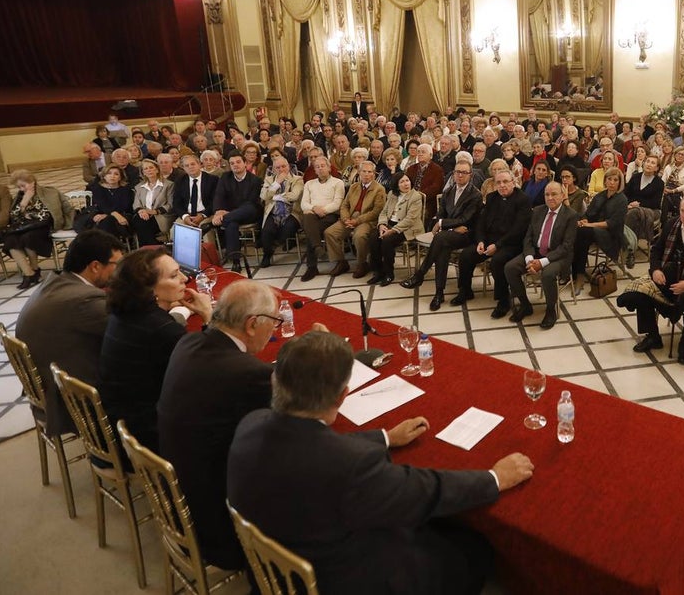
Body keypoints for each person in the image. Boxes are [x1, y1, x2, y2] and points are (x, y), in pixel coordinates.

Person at [227, 330, 534, 595]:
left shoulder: (250, 425)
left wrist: (385, 437)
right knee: (471, 548)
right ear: (341, 397)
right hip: (347, 580)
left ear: (275, 379)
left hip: (275, 574)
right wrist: (494, 477)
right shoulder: (352, 467)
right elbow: (426, 490)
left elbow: (312, 446)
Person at [157, 280, 277, 571]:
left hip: (179, 497)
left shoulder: (188, 342)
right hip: (219, 523)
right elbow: (291, 437)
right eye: (273, 322)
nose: (274, 330)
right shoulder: (251, 374)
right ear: (251, 325)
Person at [100, 249, 212, 453]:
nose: (185, 279)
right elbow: (209, 371)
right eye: (173, 275)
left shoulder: (123, 314)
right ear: (149, 290)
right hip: (149, 440)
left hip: (119, 425)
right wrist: (208, 317)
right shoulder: (163, 330)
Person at [16, 231, 123, 437]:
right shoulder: (84, 300)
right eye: (117, 265)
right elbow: (131, 330)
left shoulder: (55, 282)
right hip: (68, 401)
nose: (120, 271)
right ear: (95, 266)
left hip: (46, 384)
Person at [617, 194, 684, 364]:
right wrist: (656, 270)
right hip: (669, 274)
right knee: (638, 295)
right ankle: (652, 336)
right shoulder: (672, 223)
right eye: (683, 211)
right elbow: (656, 250)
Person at [401, 162, 481, 309]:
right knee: (442, 247)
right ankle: (439, 293)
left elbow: (466, 220)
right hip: (449, 234)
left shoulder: (475, 194)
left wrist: (443, 223)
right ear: (453, 174)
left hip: (467, 234)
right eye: (457, 172)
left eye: (464, 172)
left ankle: (420, 274)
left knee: (440, 238)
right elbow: (440, 214)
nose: (460, 175)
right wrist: (445, 224)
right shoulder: (449, 191)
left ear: (471, 175)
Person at [505, 182, 578, 330]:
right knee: (510, 268)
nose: (550, 198)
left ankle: (550, 310)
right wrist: (530, 259)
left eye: (554, 194)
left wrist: (542, 262)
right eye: (547, 194)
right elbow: (528, 238)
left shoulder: (571, 215)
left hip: (558, 256)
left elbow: (566, 246)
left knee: (548, 274)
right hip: (536, 252)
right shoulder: (537, 211)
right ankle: (525, 305)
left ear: (563, 195)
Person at [458, 170, 530, 315]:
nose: (502, 185)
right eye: (498, 182)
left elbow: (519, 229)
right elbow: (481, 222)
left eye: (505, 182)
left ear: (513, 182)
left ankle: (503, 300)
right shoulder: (492, 197)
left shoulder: (523, 199)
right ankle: (465, 291)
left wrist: (498, 246)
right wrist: (480, 241)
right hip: (489, 241)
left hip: (512, 243)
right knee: (466, 255)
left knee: (497, 261)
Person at [3, 169, 70, 290]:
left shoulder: (49, 192)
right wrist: (24, 202)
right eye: (18, 187)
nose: (21, 189)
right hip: (23, 227)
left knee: (29, 238)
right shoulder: (20, 197)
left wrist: (27, 214)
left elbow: (46, 215)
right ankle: (29, 273)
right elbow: (13, 216)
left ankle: (34, 268)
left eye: (23, 185)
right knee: (10, 240)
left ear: (32, 182)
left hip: (43, 227)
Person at [326, 161, 387, 278]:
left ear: (374, 174)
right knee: (330, 233)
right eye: (364, 171)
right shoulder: (354, 187)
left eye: (369, 172)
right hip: (349, 218)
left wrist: (357, 221)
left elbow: (376, 211)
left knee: (359, 236)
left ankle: (362, 263)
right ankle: (341, 262)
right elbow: (344, 205)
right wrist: (345, 219)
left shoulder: (379, 189)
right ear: (359, 173)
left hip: (367, 220)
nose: (366, 174)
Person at [367, 174, 425, 287]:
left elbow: (410, 219)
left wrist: (393, 230)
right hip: (390, 224)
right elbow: (384, 212)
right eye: (402, 182)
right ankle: (378, 272)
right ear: (396, 185)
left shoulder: (415, 196)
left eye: (407, 180)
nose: (406, 184)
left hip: (408, 228)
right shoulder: (392, 194)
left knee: (387, 241)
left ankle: (389, 274)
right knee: (373, 238)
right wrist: (382, 225)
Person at [571, 167, 627, 282]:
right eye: (609, 179)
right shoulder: (600, 195)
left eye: (615, 180)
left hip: (611, 234)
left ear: (620, 182)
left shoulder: (622, 200)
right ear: (605, 180)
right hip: (593, 229)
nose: (612, 182)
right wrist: (585, 220)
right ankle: (577, 270)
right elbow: (588, 213)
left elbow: (611, 223)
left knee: (583, 232)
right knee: (578, 230)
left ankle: (578, 272)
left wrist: (590, 225)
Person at [209, 154, 265, 270]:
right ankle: (236, 260)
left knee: (247, 208)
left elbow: (251, 202)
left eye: (238, 162)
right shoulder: (225, 177)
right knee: (231, 224)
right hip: (230, 214)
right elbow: (219, 196)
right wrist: (219, 211)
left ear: (245, 163)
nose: (235, 165)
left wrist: (225, 214)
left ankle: (213, 224)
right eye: (232, 163)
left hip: (249, 212)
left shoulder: (255, 180)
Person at [298, 156, 346, 281]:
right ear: (314, 170)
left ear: (329, 168)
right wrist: (314, 208)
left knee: (311, 232)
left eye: (323, 166)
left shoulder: (337, 182)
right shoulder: (309, 184)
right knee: (308, 217)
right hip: (312, 214)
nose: (320, 169)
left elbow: (337, 204)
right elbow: (304, 204)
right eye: (317, 167)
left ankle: (312, 266)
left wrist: (321, 210)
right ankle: (318, 248)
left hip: (330, 215)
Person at [257, 156, 303, 267]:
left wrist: (275, 197)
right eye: (278, 167)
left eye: (284, 166)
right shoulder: (269, 180)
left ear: (288, 166)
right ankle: (267, 255)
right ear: (273, 169)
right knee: (267, 231)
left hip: (292, 211)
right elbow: (263, 195)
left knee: (288, 228)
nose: (281, 169)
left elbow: (294, 196)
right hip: (273, 212)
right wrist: (277, 183)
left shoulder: (297, 179)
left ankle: (273, 245)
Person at [130, 159, 174, 247]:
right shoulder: (139, 187)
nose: (149, 170)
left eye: (151, 168)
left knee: (141, 224)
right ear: (143, 172)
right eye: (145, 169)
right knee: (141, 221)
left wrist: (154, 211)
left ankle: (147, 249)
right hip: (143, 215)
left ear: (157, 170)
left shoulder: (168, 185)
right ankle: (155, 247)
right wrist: (141, 211)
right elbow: (136, 204)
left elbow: (170, 204)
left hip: (161, 216)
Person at [623, 155, 664, 248]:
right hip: (631, 207)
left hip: (652, 210)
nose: (649, 164)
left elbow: (655, 203)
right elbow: (625, 194)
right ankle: (628, 244)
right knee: (620, 209)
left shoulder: (659, 183)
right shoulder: (635, 177)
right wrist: (629, 204)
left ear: (657, 168)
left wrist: (639, 204)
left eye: (653, 163)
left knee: (634, 213)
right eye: (647, 161)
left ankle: (626, 244)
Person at [83, 165, 133, 240]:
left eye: (116, 174)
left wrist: (109, 214)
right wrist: (113, 214)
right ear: (104, 176)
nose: (112, 176)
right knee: (105, 221)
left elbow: (124, 206)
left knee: (108, 221)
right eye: (109, 173)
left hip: (123, 215)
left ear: (120, 177)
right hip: (103, 215)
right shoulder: (97, 189)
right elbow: (102, 205)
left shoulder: (126, 189)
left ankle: (108, 248)